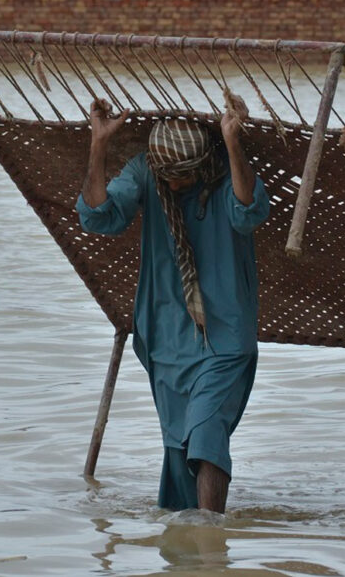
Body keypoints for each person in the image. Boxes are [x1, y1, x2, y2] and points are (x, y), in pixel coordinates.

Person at [76, 97, 270, 513]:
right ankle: (186, 550)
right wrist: (99, 145)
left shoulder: (224, 176)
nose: (174, 184)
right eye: (167, 177)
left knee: (204, 432)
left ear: (203, 165)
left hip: (225, 338)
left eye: (183, 177)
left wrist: (233, 142)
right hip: (165, 336)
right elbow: (97, 217)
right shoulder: (148, 172)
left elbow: (249, 212)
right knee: (177, 449)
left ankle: (209, 540)